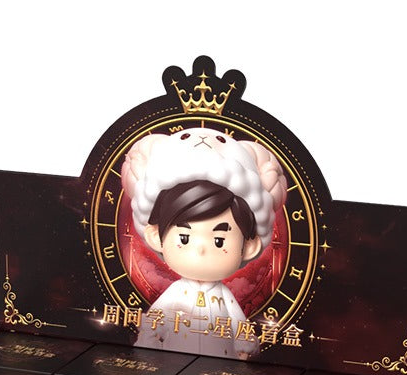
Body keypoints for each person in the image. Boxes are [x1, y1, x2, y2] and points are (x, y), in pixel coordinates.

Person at [121, 127, 287, 358]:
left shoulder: (225, 297)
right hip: (173, 363)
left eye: (219, 240)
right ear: (156, 236)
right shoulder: (175, 293)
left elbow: (240, 328)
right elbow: (155, 321)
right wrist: (149, 340)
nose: (200, 249)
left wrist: (244, 345)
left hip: (221, 364)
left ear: (249, 246)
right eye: (185, 237)